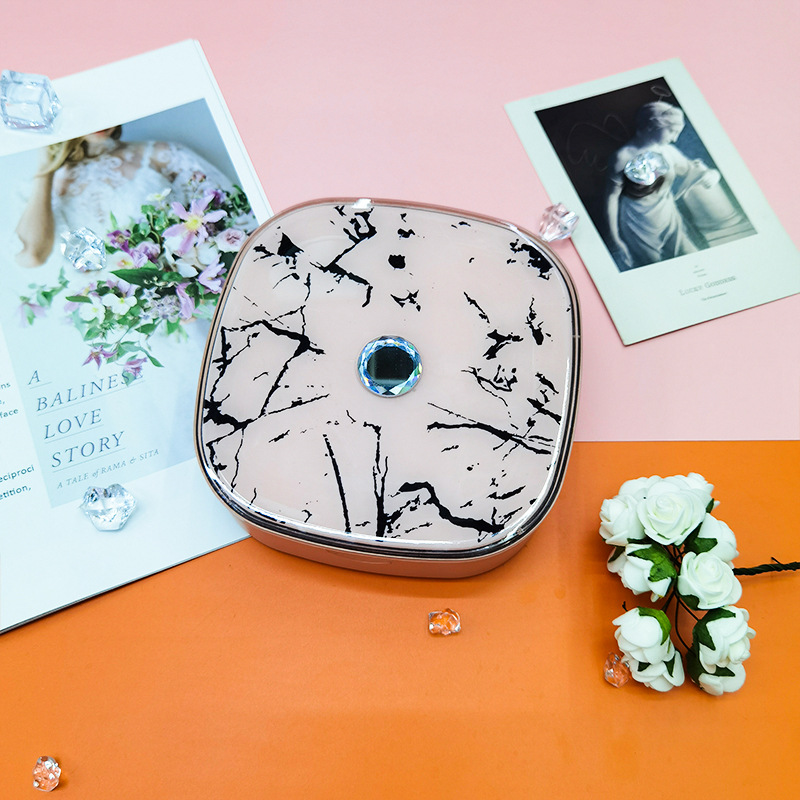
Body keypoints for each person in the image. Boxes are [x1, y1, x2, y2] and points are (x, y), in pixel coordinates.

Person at [14, 126, 234, 268]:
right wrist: (46, 168)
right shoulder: (44, 188)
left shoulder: (160, 155)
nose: (98, 121)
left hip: (181, 301)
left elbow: (232, 215)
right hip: (112, 318)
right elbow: (32, 256)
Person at [604, 101, 720, 270]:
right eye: (672, 131)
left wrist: (713, 174)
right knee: (661, 270)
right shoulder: (622, 157)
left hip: (669, 219)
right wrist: (616, 240)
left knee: (694, 260)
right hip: (638, 224)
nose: (675, 138)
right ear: (653, 125)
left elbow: (694, 169)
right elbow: (611, 198)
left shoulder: (668, 151)